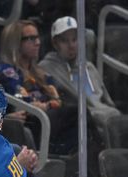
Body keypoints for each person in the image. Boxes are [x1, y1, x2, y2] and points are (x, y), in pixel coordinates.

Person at [0, 19, 77, 155]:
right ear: (15, 43)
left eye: (38, 37)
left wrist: (49, 105)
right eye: (31, 38)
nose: (38, 42)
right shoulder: (7, 72)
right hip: (32, 121)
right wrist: (48, 105)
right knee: (77, 113)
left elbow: (57, 100)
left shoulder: (41, 73)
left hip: (48, 119)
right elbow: (24, 103)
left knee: (79, 119)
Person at [38, 16, 120, 145]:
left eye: (75, 40)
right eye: (65, 41)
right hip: (85, 120)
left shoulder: (89, 67)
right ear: (55, 43)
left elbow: (107, 100)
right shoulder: (46, 68)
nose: (71, 46)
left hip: (109, 117)